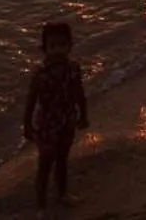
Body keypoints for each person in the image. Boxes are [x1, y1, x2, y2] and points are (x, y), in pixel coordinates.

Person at [22, 21, 88, 213]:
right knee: (45, 162)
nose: (58, 50)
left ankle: (62, 194)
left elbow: (79, 94)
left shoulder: (73, 70)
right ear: (44, 49)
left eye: (62, 45)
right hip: (46, 124)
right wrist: (27, 125)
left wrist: (83, 115)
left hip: (67, 120)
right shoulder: (40, 75)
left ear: (70, 46)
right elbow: (31, 101)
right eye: (52, 46)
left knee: (62, 160)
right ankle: (41, 206)